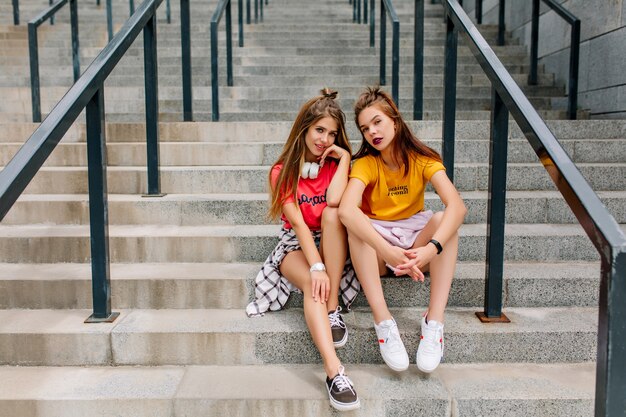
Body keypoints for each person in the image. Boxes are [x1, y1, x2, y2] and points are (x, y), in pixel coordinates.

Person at [246, 88, 360, 411]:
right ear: (305, 129)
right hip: (297, 244)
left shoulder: (333, 165)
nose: (324, 139)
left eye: (332, 134)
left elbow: (335, 203)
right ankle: (334, 372)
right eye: (319, 130)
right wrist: (317, 267)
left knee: (332, 214)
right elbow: (297, 225)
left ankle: (332, 307)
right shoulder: (281, 172)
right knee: (313, 285)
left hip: (332, 236)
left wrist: (345, 159)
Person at [338, 86, 467, 373]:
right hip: (380, 247)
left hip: (416, 241)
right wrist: (388, 252)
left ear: (394, 121)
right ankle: (384, 322)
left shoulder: (422, 158)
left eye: (377, 122)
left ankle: (434, 323)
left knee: (445, 220)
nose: (372, 132)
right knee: (355, 225)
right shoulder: (366, 164)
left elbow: (458, 206)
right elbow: (346, 210)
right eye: (365, 128)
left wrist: (429, 249)